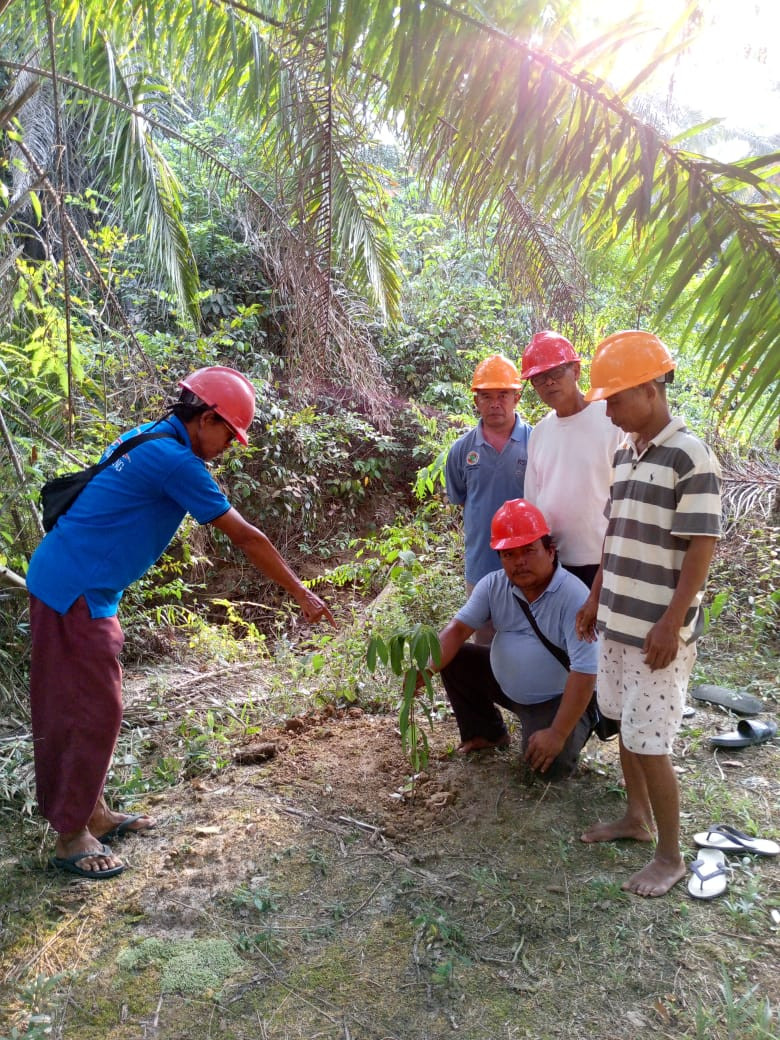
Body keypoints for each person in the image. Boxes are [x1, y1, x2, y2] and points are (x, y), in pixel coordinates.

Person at [26, 366, 336, 880]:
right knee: (86, 708)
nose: (228, 448)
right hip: (72, 591)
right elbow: (245, 536)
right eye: (228, 436)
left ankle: (93, 814)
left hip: (83, 586)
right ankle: (70, 836)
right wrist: (300, 593)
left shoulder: (146, 437)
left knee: (93, 702)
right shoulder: (174, 461)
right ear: (206, 418)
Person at [575, 331, 722, 898]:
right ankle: (635, 819)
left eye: (614, 400)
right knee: (625, 728)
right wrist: (594, 598)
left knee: (651, 740)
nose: (608, 411)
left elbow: (701, 546)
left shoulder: (690, 455)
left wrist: (671, 622)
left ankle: (670, 854)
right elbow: (614, 535)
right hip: (617, 621)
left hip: (658, 634)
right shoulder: (625, 452)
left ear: (649, 389)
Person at [419, 499, 598, 779]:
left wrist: (557, 733)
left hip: (555, 699)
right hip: (506, 686)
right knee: (457, 659)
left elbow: (586, 672)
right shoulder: (493, 585)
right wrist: (426, 669)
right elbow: (456, 629)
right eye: (509, 555)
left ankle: (568, 730)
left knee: (546, 768)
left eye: (529, 551)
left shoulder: (574, 597)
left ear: (550, 552)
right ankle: (487, 733)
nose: (520, 562)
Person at [521, 330, 622, 588]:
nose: (549, 383)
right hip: (556, 565)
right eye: (539, 378)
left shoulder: (613, 419)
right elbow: (532, 501)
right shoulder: (540, 433)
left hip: (606, 561)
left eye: (555, 373)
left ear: (576, 371)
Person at [445, 355, 532, 641]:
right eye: (487, 396)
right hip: (481, 565)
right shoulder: (461, 450)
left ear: (517, 397)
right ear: (476, 401)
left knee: (530, 641)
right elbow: (460, 499)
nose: (495, 403)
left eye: (503, 394)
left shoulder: (537, 441)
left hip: (530, 564)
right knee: (484, 646)